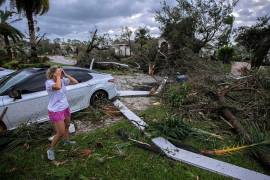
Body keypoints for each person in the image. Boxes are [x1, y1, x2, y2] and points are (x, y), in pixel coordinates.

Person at [45, 66, 79, 161]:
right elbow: (58, 86)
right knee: (60, 132)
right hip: (56, 110)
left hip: (65, 107)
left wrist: (66, 75)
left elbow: (75, 82)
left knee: (67, 125)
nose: (60, 72)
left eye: (60, 71)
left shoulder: (62, 80)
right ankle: (50, 150)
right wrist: (59, 77)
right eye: (58, 71)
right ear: (53, 74)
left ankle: (66, 141)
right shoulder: (49, 83)